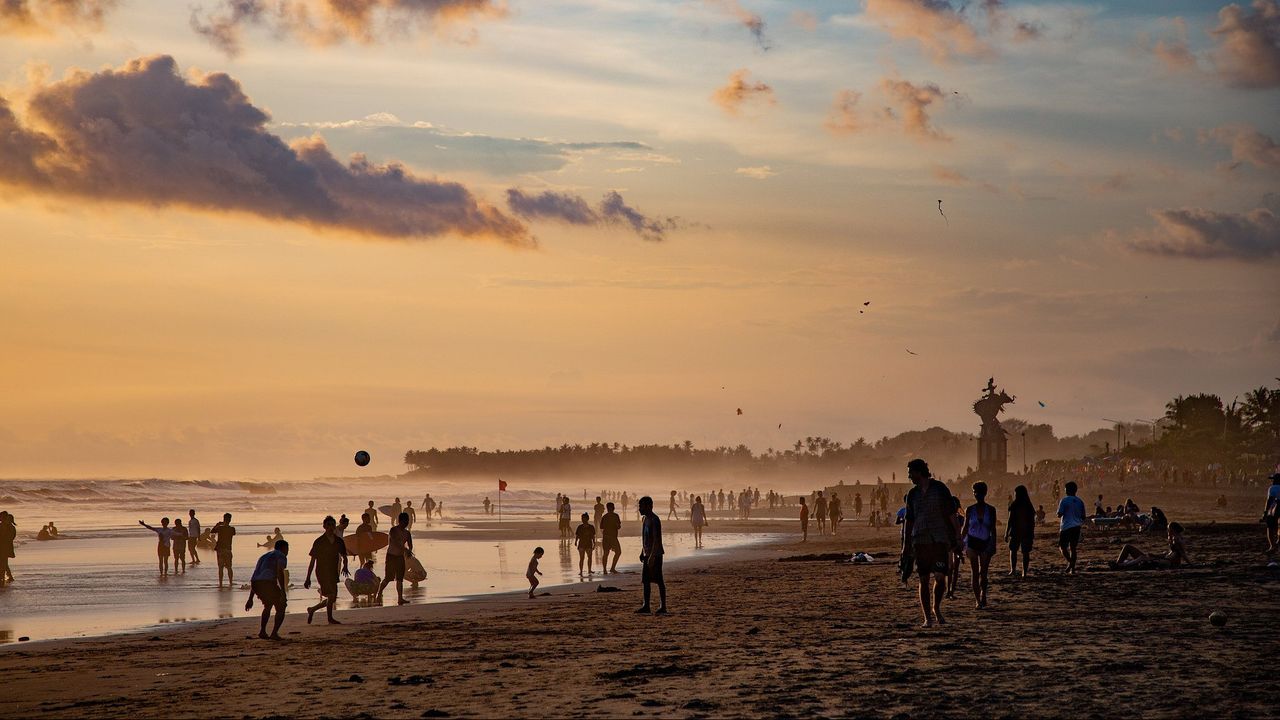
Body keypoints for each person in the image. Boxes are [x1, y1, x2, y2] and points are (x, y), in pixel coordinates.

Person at [901, 459, 956, 628]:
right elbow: (908, 521)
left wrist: (958, 537)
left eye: (911, 472)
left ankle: (936, 608)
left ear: (919, 472)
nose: (909, 476)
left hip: (939, 538)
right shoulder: (912, 494)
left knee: (940, 577)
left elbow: (951, 514)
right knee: (923, 579)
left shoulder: (940, 489)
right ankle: (927, 617)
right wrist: (906, 545)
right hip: (920, 539)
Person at [304, 515, 349, 624]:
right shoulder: (319, 541)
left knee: (332, 598)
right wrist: (308, 578)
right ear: (324, 526)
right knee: (331, 595)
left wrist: (345, 566)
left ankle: (312, 609)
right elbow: (312, 561)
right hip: (322, 571)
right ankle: (330, 618)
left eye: (332, 525)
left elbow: (344, 556)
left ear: (335, 526)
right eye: (328, 525)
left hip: (333, 571)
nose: (330, 527)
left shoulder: (338, 541)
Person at [962, 481, 998, 608]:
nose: (977, 495)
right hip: (972, 542)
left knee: (983, 572)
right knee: (974, 572)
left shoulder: (991, 510)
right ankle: (978, 599)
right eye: (975, 493)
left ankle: (983, 594)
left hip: (985, 542)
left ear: (984, 493)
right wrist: (960, 542)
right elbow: (965, 527)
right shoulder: (969, 509)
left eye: (979, 493)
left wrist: (993, 544)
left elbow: (993, 529)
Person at [245, 539, 289, 640]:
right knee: (282, 606)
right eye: (287, 550)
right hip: (268, 583)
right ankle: (274, 633)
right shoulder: (281, 556)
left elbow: (255, 576)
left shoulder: (263, 556)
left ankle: (262, 631)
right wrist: (283, 591)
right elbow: (279, 573)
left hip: (256, 583)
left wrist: (250, 598)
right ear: (284, 548)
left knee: (268, 605)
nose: (287, 552)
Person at [636, 496, 667, 614]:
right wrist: (642, 552)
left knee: (659, 580)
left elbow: (656, 540)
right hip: (647, 553)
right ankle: (646, 605)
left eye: (641, 506)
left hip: (656, 554)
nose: (639, 509)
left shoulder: (655, 520)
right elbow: (645, 538)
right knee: (646, 581)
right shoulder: (644, 519)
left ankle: (663, 606)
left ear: (649, 506)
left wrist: (652, 556)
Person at [1113, 522, 1189, 570]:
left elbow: (1181, 553)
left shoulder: (1176, 539)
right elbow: (1170, 554)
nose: (1167, 531)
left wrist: (1190, 564)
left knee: (1140, 557)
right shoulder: (1175, 541)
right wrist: (1155, 555)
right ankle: (1120, 564)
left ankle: (1120, 565)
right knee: (1128, 548)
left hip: (1162, 563)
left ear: (1173, 530)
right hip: (1160, 561)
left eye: (1169, 530)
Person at [378, 512, 413, 605]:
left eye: (408, 521)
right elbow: (396, 542)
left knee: (400, 579)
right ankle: (379, 592)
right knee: (388, 578)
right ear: (400, 521)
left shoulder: (407, 533)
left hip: (400, 557)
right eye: (405, 521)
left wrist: (409, 551)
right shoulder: (393, 530)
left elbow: (410, 545)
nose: (406, 523)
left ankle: (400, 598)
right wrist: (406, 550)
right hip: (391, 556)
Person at [1006, 485, 1036, 577]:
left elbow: (1010, 520)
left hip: (1016, 531)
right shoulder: (1029, 505)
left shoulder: (1014, 504)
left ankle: (1013, 570)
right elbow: (1032, 521)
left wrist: (1006, 533)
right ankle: (1024, 572)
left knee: (1013, 550)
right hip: (1027, 532)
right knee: (1025, 552)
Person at [1057, 481, 1086, 574]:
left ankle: (1071, 562)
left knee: (1062, 547)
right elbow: (1083, 516)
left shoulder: (1064, 500)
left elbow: (1059, 514)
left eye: (1065, 488)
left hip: (1066, 526)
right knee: (1073, 548)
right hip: (1076, 527)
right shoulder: (1080, 501)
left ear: (1067, 490)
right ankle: (1072, 568)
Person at [210, 513, 237, 588]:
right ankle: (231, 582)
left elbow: (212, 531)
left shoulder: (220, 528)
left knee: (220, 567)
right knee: (229, 567)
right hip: (228, 549)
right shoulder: (232, 529)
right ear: (230, 520)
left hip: (220, 549)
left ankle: (221, 583)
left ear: (224, 519)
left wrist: (217, 524)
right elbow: (233, 534)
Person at [600, 502, 622, 573]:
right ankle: (612, 568)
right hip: (613, 537)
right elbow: (618, 527)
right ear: (613, 508)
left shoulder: (605, 516)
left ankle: (604, 569)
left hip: (606, 537)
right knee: (618, 552)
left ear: (607, 508)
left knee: (606, 553)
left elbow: (601, 527)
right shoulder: (615, 516)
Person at [1264, 473, 1280, 554]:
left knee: (1270, 527)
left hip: (1275, 509)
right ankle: (1278, 540)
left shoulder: (1272, 488)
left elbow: (1270, 500)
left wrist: (1265, 512)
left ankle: (1272, 546)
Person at [0, 512, 16, 584]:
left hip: (3, 547)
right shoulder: (10, 526)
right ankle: (8, 576)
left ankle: (2, 578)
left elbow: (2, 536)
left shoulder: (4, 525)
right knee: (4, 562)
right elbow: (12, 537)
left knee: (3, 562)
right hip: (7, 546)